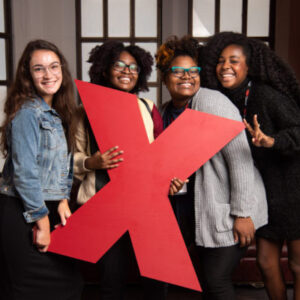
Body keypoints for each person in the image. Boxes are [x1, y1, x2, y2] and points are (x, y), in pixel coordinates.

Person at [155, 35, 268, 300]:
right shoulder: (162, 112)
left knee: (216, 280)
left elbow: (239, 159)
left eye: (193, 71)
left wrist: (242, 214)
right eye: (178, 71)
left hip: (232, 207)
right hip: (196, 210)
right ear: (164, 77)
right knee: (202, 281)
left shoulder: (210, 102)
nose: (187, 76)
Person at [74, 40, 183, 299]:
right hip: (103, 206)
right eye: (119, 65)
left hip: (145, 205)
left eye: (134, 67)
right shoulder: (84, 111)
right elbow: (72, 158)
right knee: (111, 280)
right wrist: (92, 162)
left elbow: (162, 158)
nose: (127, 71)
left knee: (157, 280)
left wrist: (172, 180)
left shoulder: (148, 109)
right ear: (104, 69)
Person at [201, 31, 300, 300]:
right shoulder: (221, 98)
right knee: (267, 264)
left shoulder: (267, 95)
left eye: (234, 61)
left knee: (297, 266)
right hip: (264, 192)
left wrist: (272, 141)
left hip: (293, 189)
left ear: (249, 66)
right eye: (221, 61)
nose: (225, 67)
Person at [0, 40, 82, 299]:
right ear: (27, 75)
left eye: (54, 66)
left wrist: (62, 199)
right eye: (39, 69)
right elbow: (25, 173)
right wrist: (43, 222)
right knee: (30, 289)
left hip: (46, 208)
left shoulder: (56, 112)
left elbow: (60, 163)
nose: (48, 75)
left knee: (70, 284)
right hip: (24, 210)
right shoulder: (28, 112)